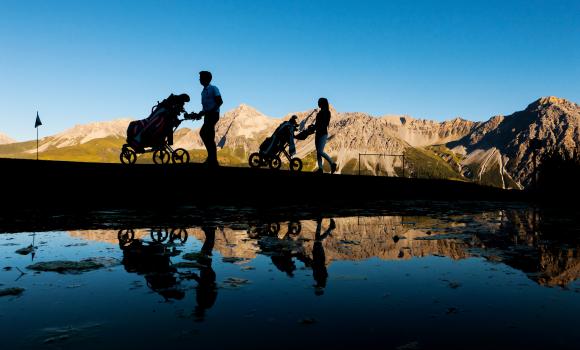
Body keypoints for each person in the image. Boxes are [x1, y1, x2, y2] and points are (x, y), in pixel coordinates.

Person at [195, 71, 223, 167]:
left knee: (208, 135)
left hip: (213, 114)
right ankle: (212, 158)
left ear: (206, 79)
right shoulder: (203, 92)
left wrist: (210, 111)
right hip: (207, 115)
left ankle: (213, 160)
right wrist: (200, 114)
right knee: (205, 134)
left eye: (201, 78)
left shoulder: (213, 88)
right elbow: (205, 107)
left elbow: (220, 101)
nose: (199, 80)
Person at [313, 98, 338, 174]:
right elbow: (318, 124)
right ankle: (320, 169)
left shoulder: (327, 112)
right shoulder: (320, 113)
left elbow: (325, 124)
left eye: (319, 102)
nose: (318, 103)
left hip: (323, 133)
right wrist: (313, 127)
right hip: (318, 133)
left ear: (322, 103)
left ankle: (332, 163)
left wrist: (316, 127)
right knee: (318, 152)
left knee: (320, 151)